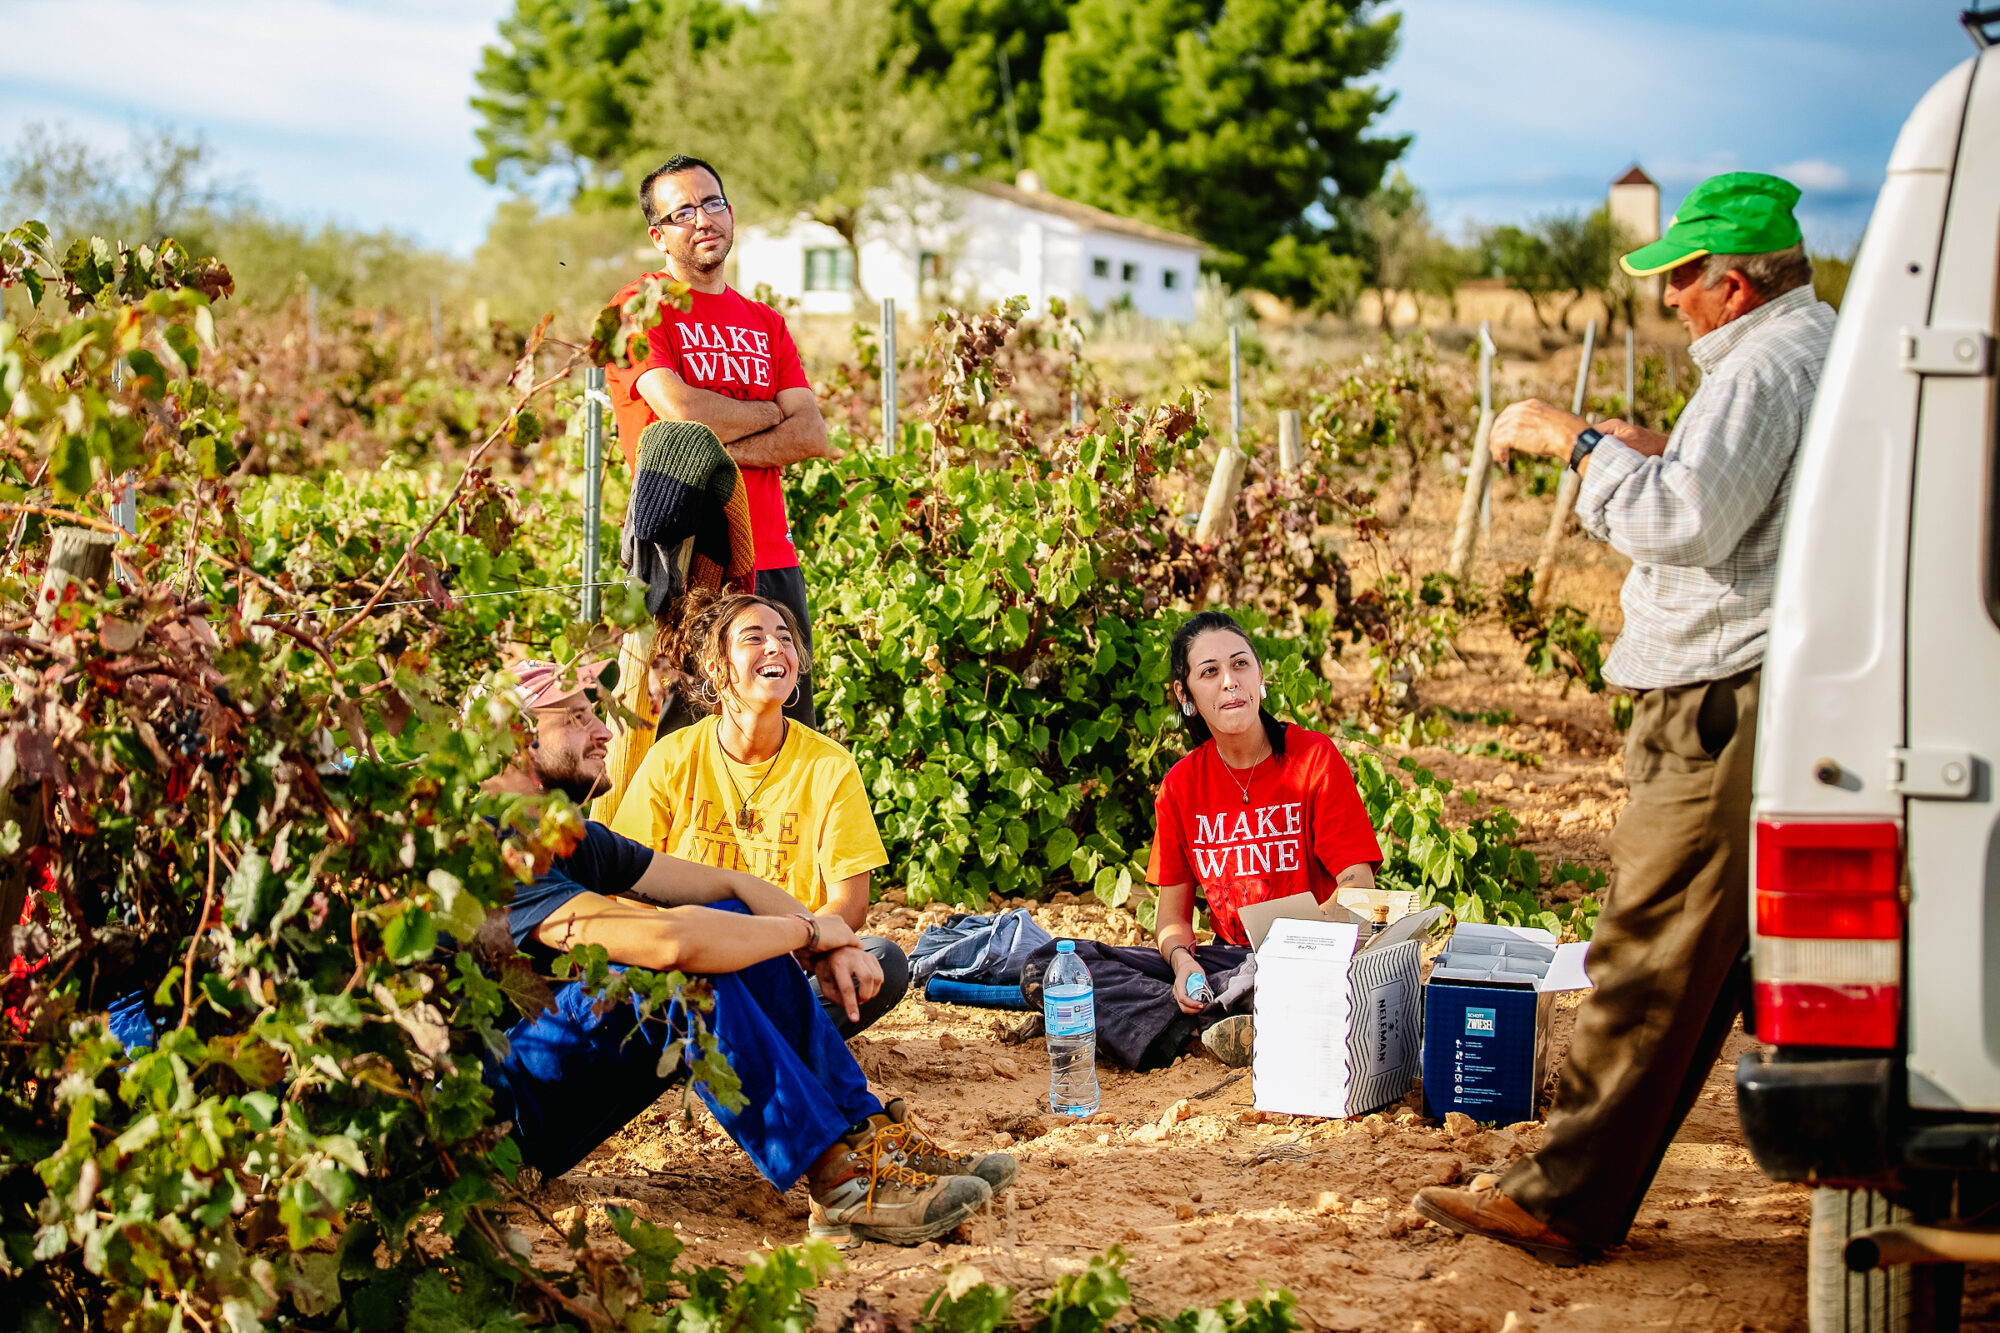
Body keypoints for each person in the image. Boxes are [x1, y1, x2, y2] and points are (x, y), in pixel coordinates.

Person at [1412, 172, 1836, 1265]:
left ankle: (1559, 1197)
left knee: (1648, 947)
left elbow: (1688, 515)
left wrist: (1576, 446)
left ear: (1732, 286)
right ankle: (1582, 1185)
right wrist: (1641, 437)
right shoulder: (1811, 344)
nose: (1668, 302)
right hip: (1762, 688)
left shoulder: (1757, 365)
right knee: (1708, 954)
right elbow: (1736, 479)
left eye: (1680, 282)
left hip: (1712, 697)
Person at [479, 658, 1014, 1246]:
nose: (605, 731)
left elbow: (730, 887)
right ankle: (839, 1184)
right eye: (577, 718)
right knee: (676, 972)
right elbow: (670, 941)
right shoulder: (486, 846)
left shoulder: (567, 838)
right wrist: (808, 936)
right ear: (511, 738)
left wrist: (821, 933)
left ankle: (865, 1137)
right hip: (491, 1128)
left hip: (543, 1089)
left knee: (731, 923)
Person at [1021, 611, 1382, 1070]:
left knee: (1261, 977)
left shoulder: (1312, 758)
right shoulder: (1180, 786)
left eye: (1240, 665)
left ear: (1260, 676)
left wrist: (1316, 936)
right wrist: (1182, 965)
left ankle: (1213, 1023)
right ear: (1185, 693)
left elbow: (1358, 880)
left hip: (1312, 959)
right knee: (1049, 965)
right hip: (1227, 964)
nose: (1230, 682)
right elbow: (1172, 920)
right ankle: (1211, 1025)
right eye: (1210, 672)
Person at [607, 594, 910, 1037]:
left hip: (788, 961)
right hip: (690, 965)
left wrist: (782, 946)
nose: (775, 647)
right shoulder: (672, 757)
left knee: (883, 961)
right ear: (714, 664)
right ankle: (764, 1036)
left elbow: (850, 904)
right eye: (755, 637)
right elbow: (628, 886)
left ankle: (723, 1037)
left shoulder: (830, 765)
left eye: (785, 638)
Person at [605, 154, 838, 729]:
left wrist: (710, 455)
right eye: (682, 212)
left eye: (712, 203)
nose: (703, 219)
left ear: (730, 213)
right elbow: (680, 408)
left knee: (784, 745)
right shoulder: (637, 310)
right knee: (682, 752)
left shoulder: (765, 321)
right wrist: (767, 413)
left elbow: (810, 434)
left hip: (772, 562)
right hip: (684, 564)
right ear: (658, 236)